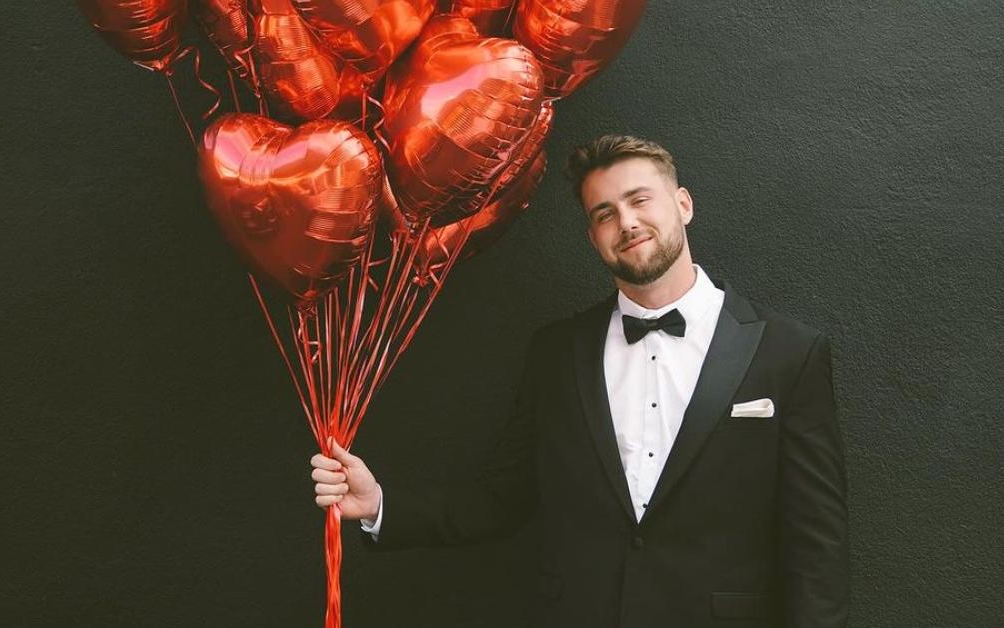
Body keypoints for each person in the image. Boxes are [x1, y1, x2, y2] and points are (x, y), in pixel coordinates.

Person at [310, 135, 850, 628]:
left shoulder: (787, 352)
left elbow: (816, 548)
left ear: (682, 204)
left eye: (641, 200)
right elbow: (502, 498)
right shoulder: (557, 354)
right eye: (605, 213)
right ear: (593, 237)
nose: (628, 223)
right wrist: (381, 504)